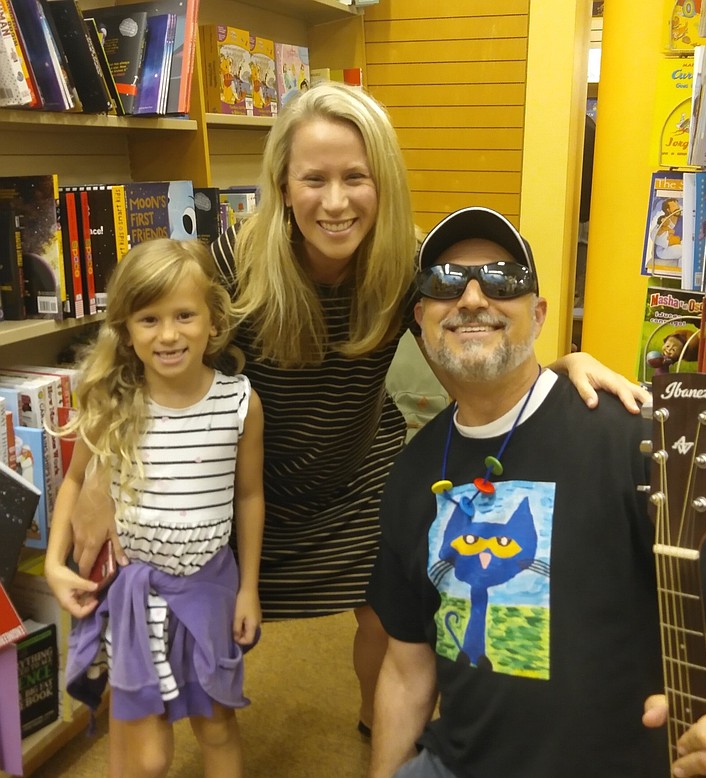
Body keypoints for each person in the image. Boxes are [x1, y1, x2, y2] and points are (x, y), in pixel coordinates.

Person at [70, 82, 649, 734]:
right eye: (314, 178)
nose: (336, 201)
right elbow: (138, 349)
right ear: (284, 186)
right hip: (247, 483)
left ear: (384, 182)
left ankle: (380, 726)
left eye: (356, 177)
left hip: (356, 476)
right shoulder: (236, 257)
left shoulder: (405, 263)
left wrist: (559, 369)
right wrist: (95, 473)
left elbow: (470, 361)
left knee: (385, 613)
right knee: (209, 636)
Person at [366, 206, 706, 778]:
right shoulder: (414, 473)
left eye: (504, 279)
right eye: (446, 283)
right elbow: (407, 669)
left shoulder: (637, 440)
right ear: (421, 317)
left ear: (540, 312)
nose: (473, 298)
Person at [45, 239, 265, 778]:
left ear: (212, 321)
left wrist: (249, 589)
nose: (168, 334)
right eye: (149, 319)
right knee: (147, 757)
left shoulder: (240, 402)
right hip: (136, 597)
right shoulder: (113, 404)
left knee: (216, 726)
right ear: (125, 330)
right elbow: (74, 485)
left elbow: (249, 496)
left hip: (209, 590)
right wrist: (55, 564)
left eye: (184, 315)